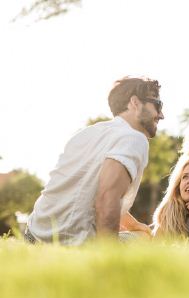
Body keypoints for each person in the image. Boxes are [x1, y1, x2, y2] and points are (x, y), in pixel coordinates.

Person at [25, 76, 164, 245]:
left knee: (138, 232)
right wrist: (107, 258)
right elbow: (107, 197)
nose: (161, 115)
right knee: (145, 239)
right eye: (158, 104)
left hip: (32, 235)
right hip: (69, 245)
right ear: (135, 102)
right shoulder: (134, 138)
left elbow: (85, 194)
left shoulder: (86, 134)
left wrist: (134, 225)